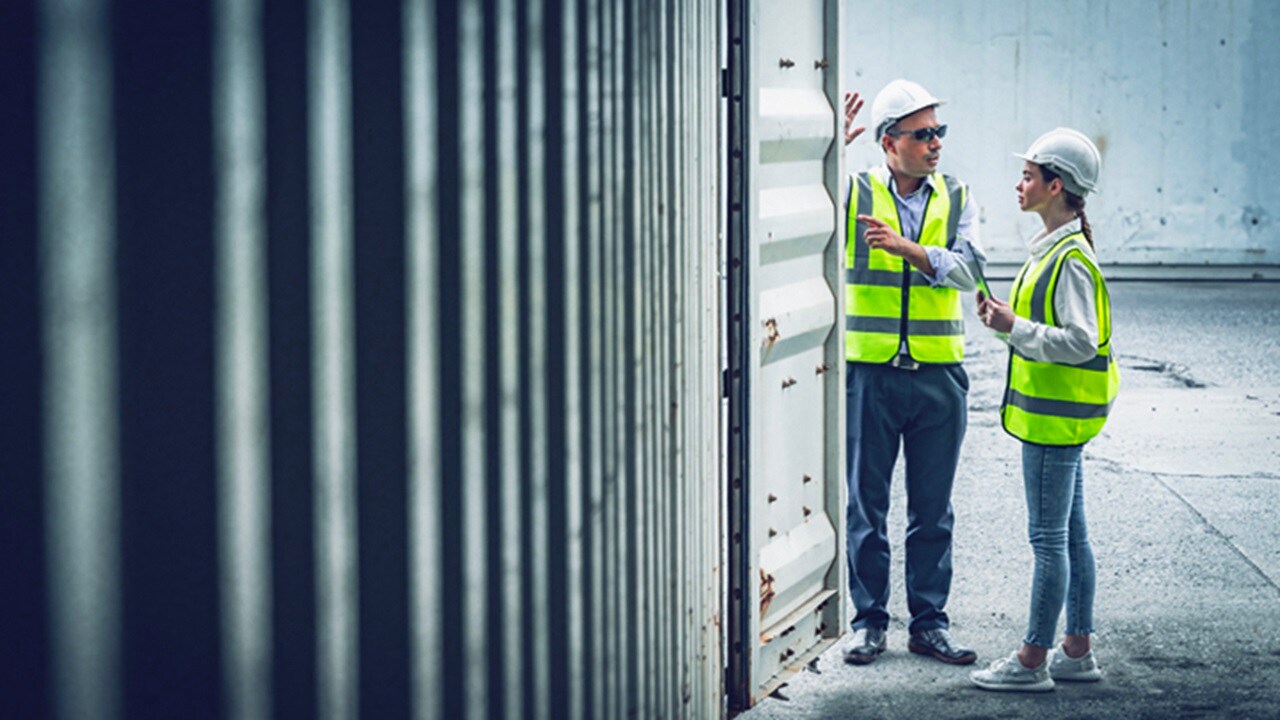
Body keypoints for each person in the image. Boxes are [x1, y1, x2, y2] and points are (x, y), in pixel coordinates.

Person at [839, 80, 986, 666]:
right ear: (888, 142)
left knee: (933, 509)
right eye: (923, 134)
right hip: (870, 373)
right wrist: (826, 149)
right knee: (865, 506)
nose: (936, 144)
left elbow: (970, 272)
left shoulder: (958, 194)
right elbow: (791, 204)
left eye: (938, 132)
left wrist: (910, 250)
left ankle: (929, 624)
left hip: (938, 376)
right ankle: (868, 623)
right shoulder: (852, 190)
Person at [969, 128, 1119, 692]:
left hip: (1054, 423)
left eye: (1029, 175)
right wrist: (1007, 324)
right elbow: (1047, 330)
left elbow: (1079, 341)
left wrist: (1015, 326)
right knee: (1071, 537)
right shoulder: (1056, 248)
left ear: (1057, 186)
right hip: (1059, 418)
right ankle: (1075, 651)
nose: (1020, 184)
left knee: (1049, 541)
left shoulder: (1070, 259)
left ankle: (1032, 659)